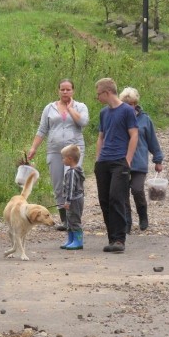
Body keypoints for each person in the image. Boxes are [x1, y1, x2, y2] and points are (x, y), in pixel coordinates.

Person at [27, 79, 89, 231]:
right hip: (55, 151)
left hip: (73, 151)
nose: (65, 92)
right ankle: (65, 220)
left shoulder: (80, 106)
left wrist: (70, 109)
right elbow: (42, 129)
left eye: (68, 89)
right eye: (62, 89)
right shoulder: (49, 108)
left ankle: (74, 219)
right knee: (58, 185)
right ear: (58, 91)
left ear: (73, 91)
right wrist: (34, 147)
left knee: (71, 184)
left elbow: (83, 122)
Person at [94, 77, 138, 253]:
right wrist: (98, 159)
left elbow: (134, 135)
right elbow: (101, 137)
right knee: (104, 200)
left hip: (119, 161)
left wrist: (128, 159)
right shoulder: (104, 113)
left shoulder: (127, 111)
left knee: (116, 197)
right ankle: (112, 238)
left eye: (99, 94)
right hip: (104, 161)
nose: (97, 98)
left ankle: (120, 239)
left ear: (107, 92)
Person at [118, 87, 164, 233]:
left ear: (135, 103)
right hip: (122, 162)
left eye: (131, 104)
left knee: (137, 190)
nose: (129, 107)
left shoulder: (145, 120)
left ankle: (143, 215)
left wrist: (158, 160)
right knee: (122, 193)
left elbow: (152, 141)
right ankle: (126, 221)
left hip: (139, 163)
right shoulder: (118, 118)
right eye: (126, 104)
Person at [59, 144, 85, 250]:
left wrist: (67, 201)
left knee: (74, 219)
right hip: (73, 199)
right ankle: (70, 239)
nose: (62, 160)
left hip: (74, 200)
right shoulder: (73, 171)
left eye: (63, 158)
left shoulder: (73, 172)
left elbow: (71, 188)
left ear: (70, 159)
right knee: (69, 219)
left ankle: (78, 241)